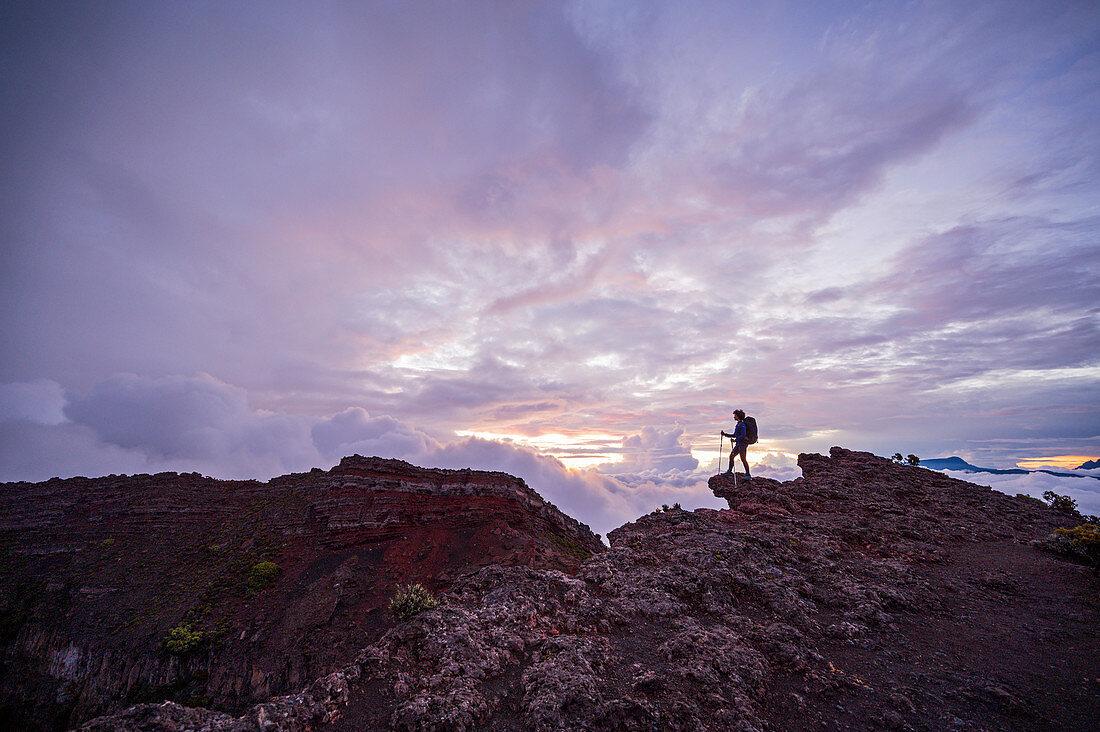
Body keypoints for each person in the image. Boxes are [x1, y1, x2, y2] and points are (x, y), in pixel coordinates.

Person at [721, 409, 751, 478]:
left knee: (743, 458)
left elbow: (743, 435)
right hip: (739, 444)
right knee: (732, 456)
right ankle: (729, 471)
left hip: (742, 444)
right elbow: (735, 435)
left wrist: (735, 440)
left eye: (735, 415)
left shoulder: (742, 425)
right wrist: (725, 434)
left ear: (738, 416)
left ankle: (748, 474)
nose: (734, 417)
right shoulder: (738, 424)